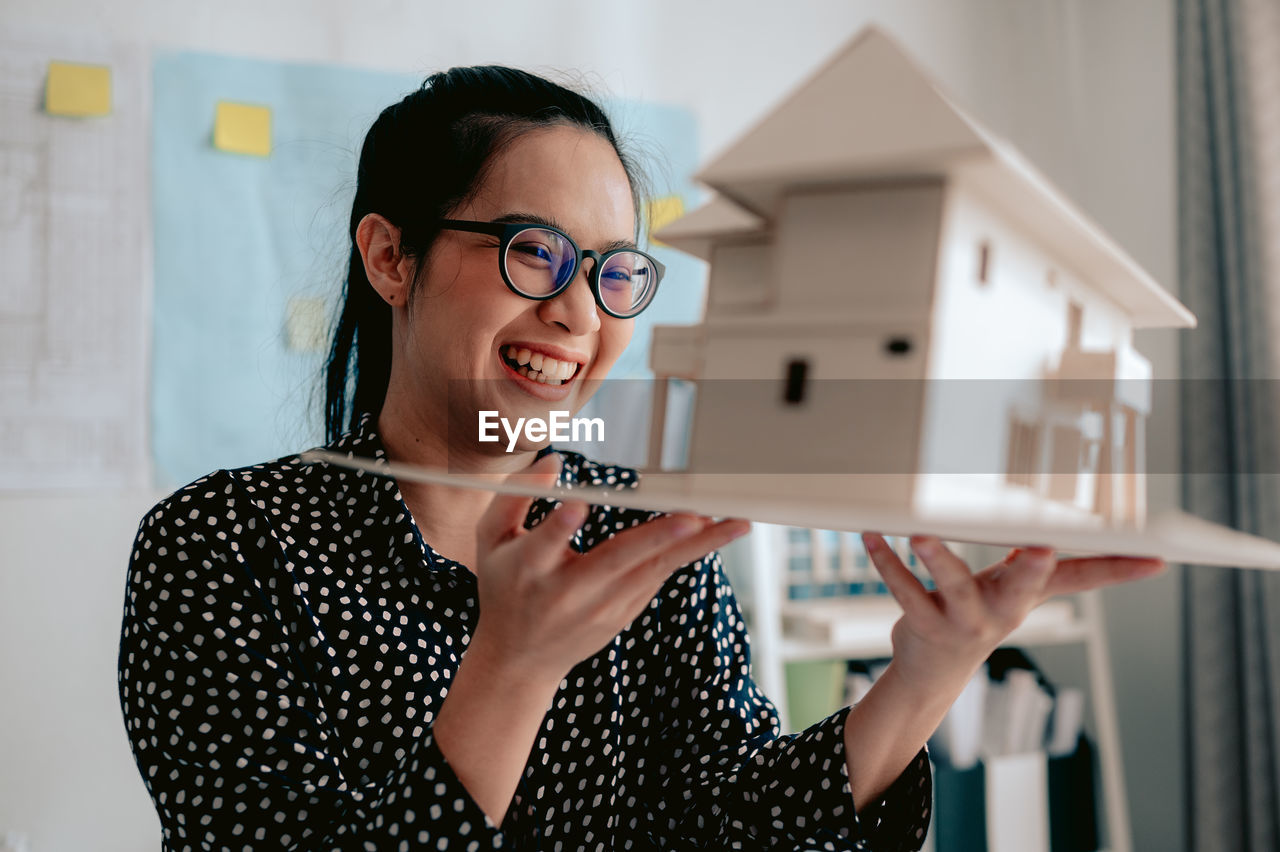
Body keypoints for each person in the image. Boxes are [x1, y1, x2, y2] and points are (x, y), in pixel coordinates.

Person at [118, 65, 1165, 851]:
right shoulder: (222, 545)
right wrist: (511, 668)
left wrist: (926, 674)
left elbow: (733, 817)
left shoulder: (631, 527)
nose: (577, 312)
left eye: (615, 270)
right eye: (534, 250)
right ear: (392, 256)